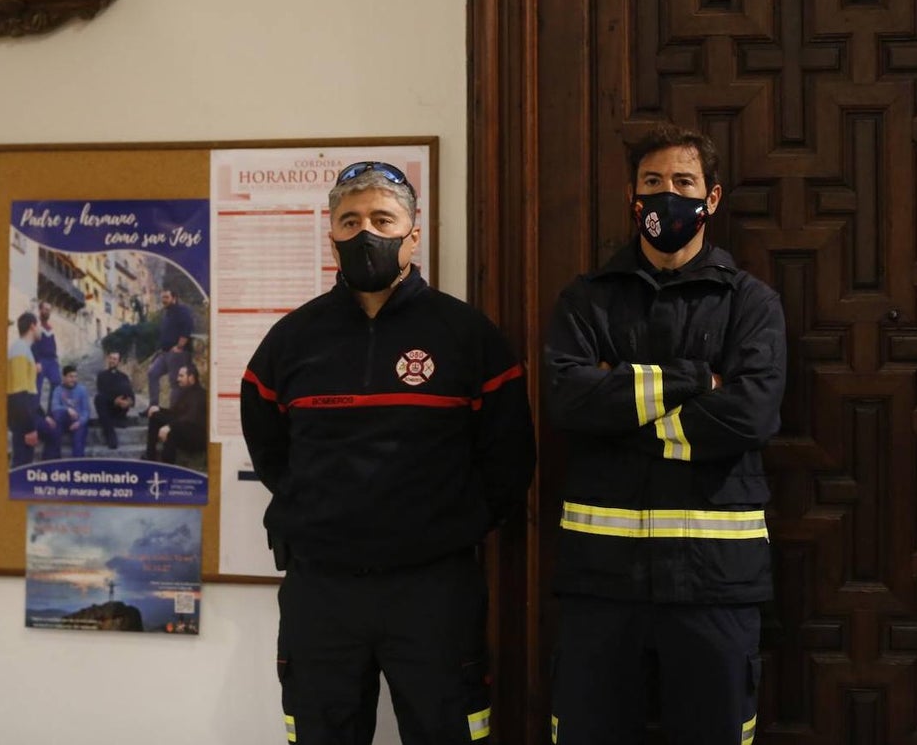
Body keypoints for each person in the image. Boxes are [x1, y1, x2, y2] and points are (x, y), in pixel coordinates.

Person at [241, 161, 536, 745]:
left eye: (382, 218)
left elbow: (509, 459)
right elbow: (272, 452)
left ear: (413, 232)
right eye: (349, 221)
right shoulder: (292, 340)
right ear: (331, 234)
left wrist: (448, 527)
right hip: (321, 590)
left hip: (433, 591)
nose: (365, 233)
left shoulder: (467, 335)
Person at [543, 122, 787, 745]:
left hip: (716, 582)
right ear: (633, 197)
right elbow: (567, 399)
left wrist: (621, 405)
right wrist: (693, 381)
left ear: (711, 199)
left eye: (684, 182)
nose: (667, 195)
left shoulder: (749, 303)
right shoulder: (586, 300)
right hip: (600, 582)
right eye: (653, 182)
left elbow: (752, 412)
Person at [8, 312, 57, 468]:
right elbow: (19, 393)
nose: (41, 331)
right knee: (22, 463)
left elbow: (30, 391)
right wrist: (30, 429)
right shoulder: (20, 350)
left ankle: (45, 471)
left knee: (51, 433)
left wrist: (43, 416)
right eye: (39, 327)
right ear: (32, 326)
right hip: (22, 417)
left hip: (27, 413)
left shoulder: (24, 350)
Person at [143, 364, 207, 464]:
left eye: (181, 376)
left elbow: (190, 419)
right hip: (184, 428)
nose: (178, 379)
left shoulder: (200, 394)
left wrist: (169, 426)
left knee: (172, 432)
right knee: (155, 416)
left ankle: (167, 465)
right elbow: (175, 413)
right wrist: (158, 409)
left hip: (196, 437)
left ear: (191, 377)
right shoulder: (185, 392)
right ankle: (150, 456)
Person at [146, 288, 194, 410]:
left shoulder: (182, 311)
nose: (164, 300)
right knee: (152, 373)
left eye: (166, 297)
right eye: (162, 297)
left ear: (174, 298)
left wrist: (179, 346)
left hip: (177, 354)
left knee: (175, 383)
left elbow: (187, 328)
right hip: (165, 353)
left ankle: (173, 413)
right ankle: (153, 407)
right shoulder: (167, 313)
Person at [45, 364, 90, 459]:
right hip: (63, 420)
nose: (73, 379)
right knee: (54, 424)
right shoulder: (58, 389)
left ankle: (77, 467)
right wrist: (67, 409)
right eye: (70, 376)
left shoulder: (82, 390)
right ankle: (54, 462)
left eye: (75, 377)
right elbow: (54, 407)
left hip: (78, 421)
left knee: (78, 442)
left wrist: (79, 422)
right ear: (64, 377)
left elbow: (86, 412)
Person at [94, 350, 135, 450]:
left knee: (125, 389)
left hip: (120, 409)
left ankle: (117, 420)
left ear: (119, 362)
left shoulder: (124, 377)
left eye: (115, 359)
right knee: (98, 398)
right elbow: (102, 391)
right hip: (107, 408)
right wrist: (114, 401)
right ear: (108, 359)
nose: (112, 361)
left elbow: (131, 395)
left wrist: (129, 402)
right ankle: (111, 435)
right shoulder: (101, 375)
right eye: (111, 358)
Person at [32, 300, 61, 406]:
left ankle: (51, 414)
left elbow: (53, 344)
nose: (47, 312)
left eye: (49, 310)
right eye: (45, 309)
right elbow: (33, 344)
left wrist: (56, 358)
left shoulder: (50, 327)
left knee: (57, 383)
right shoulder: (35, 325)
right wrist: (36, 361)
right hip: (40, 360)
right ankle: (34, 415)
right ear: (40, 310)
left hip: (52, 360)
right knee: (37, 387)